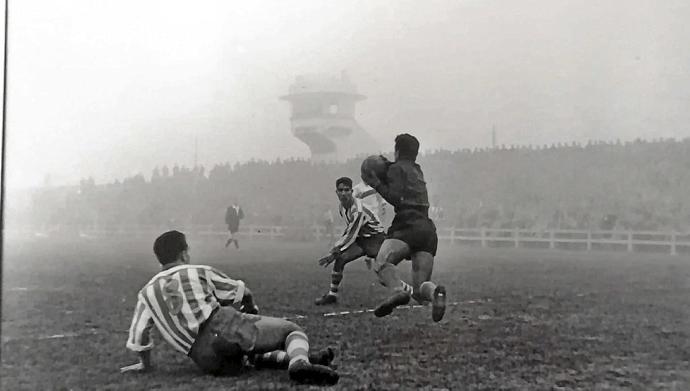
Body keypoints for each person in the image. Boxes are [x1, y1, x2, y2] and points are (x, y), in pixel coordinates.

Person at [121, 230, 339, 386]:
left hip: (205, 359)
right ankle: (299, 362)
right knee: (291, 330)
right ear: (184, 253)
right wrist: (250, 310)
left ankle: (305, 359)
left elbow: (140, 336)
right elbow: (242, 291)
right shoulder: (198, 271)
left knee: (249, 356)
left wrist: (145, 365)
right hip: (222, 328)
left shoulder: (146, 293)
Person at [361, 133, 447, 322]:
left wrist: (377, 184)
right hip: (427, 229)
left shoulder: (397, 169)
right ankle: (435, 295)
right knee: (419, 288)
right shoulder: (417, 170)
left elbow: (396, 197)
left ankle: (398, 291)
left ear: (397, 151)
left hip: (408, 224)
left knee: (382, 262)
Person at [314, 177, 386, 306]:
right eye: (340, 190)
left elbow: (351, 234)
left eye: (346, 190)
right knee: (341, 259)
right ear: (336, 192)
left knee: (384, 274)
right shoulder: (342, 207)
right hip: (362, 238)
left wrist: (335, 250)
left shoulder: (357, 210)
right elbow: (350, 230)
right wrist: (337, 251)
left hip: (376, 239)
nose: (343, 193)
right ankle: (332, 295)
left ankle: (413, 292)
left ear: (352, 191)